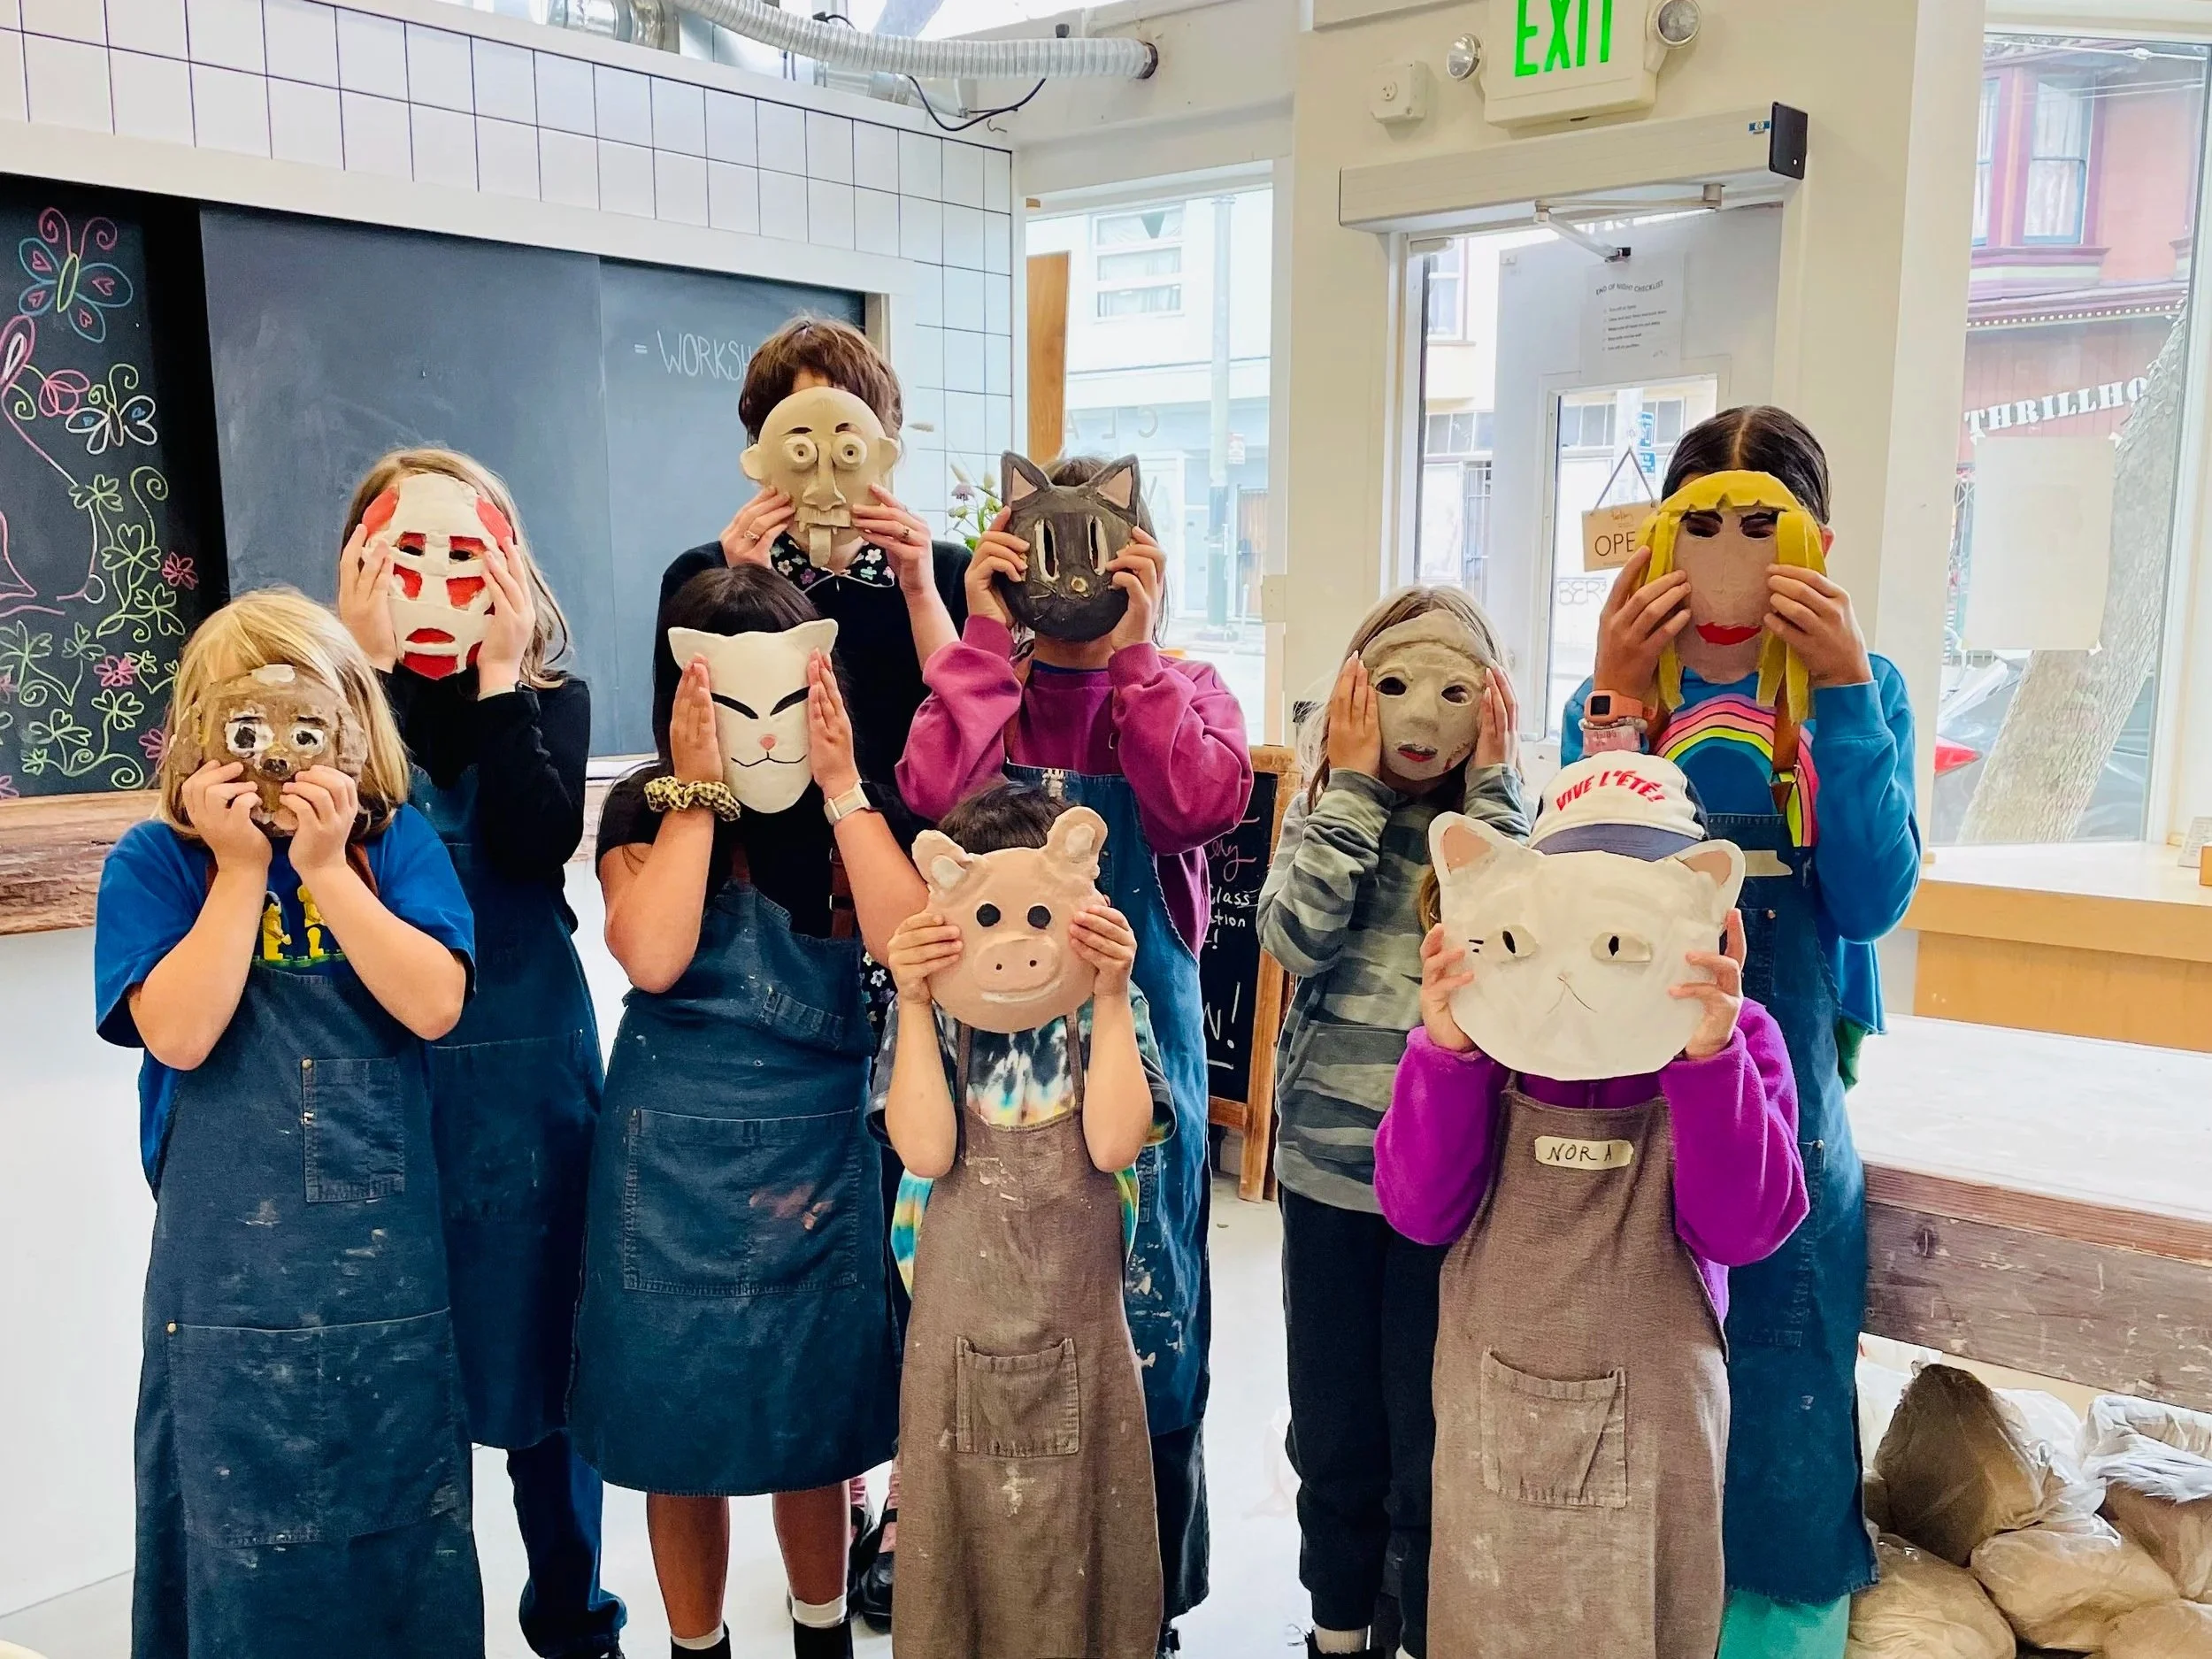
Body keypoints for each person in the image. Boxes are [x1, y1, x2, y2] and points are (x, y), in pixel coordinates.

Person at [1565, 405, 1921, 1659]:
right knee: (1629, 1391)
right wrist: (1614, 699)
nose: (1728, 556)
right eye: (1700, 527)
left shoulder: (1862, 689)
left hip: (1787, 1118)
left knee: (1783, 1394)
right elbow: (1575, 900)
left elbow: (1870, 899)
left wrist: (1843, 695)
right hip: (1623, 1112)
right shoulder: (1616, 687)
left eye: (1760, 529)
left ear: (1814, 542)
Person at [897, 458, 1252, 1655]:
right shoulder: (987, 689)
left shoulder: (1187, 686)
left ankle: (1145, 1602)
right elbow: (931, 794)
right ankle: (993, 1592)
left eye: (1101, 547)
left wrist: (1136, 659)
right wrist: (984, 639)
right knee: (996, 1315)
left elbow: (1199, 804)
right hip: (982, 1084)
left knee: (1151, 1307)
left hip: (1139, 1054)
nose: (1073, 574)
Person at [95, 588, 480, 1659]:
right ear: (198, 734)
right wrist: (238, 872)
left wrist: (324, 870)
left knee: (400, 1519)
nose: (273, 758)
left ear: (352, 729)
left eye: (305, 729)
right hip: (226, 1281)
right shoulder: (153, 863)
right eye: (244, 730)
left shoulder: (394, 850)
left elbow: (434, 1004)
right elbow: (179, 1034)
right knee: (229, 1536)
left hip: (383, 1279)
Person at [1376, 753, 1809, 1658]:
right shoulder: (1488, 1037)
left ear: (1715, 924)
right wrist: (1447, 1052)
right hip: (1491, 1417)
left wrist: (1709, 1059)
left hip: (1658, 1433)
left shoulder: (1744, 1041)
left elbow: (1743, 1229)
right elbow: (1418, 1210)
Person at [569, 566, 917, 1659]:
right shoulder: (641, 806)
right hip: (667, 1163)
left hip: (815, 1156)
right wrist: (697, 795)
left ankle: (821, 1635)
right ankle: (697, 1647)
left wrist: (844, 788)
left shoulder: (849, 804)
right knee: (678, 1438)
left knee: (812, 1428)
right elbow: (653, 953)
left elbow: (910, 946)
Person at [334, 448, 625, 1659]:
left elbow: (531, 839)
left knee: (548, 1373)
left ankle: (575, 1620)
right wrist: (359, 668)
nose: (436, 577)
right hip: (385, 1076)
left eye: (466, 554)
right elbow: (348, 829)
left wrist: (499, 679)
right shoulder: (325, 709)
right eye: (405, 554)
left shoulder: (552, 697)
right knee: (407, 1373)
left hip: (526, 1077)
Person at [1255, 587, 1528, 1659]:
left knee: (1430, 1434)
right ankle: (1336, 1631)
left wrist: (1493, 790)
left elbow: (1511, 943)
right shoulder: (1328, 809)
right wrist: (1357, 789)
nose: (1420, 718)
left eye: (1454, 693)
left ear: (1490, 705)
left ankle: (1419, 1630)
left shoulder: (1501, 828)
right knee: (1333, 1430)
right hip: (1326, 1174)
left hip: (1451, 1185)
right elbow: (1294, 937)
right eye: (1395, 687)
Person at [875, 782, 1173, 1659]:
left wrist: (1110, 994)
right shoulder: (930, 1013)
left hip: (1084, 1343)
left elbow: (1115, 1143)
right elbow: (926, 1149)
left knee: (1089, 1554)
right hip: (956, 1350)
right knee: (958, 1564)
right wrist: (913, 998)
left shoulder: (1107, 1007)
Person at [657, 314, 967, 844]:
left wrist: (919, 590)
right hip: (764, 852)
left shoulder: (946, 572)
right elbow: (686, 741)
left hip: (917, 848)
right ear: (760, 456)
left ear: (884, 449)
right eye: (801, 448)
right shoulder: (702, 575)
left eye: (847, 445)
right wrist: (749, 591)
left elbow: (969, 730)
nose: (825, 483)